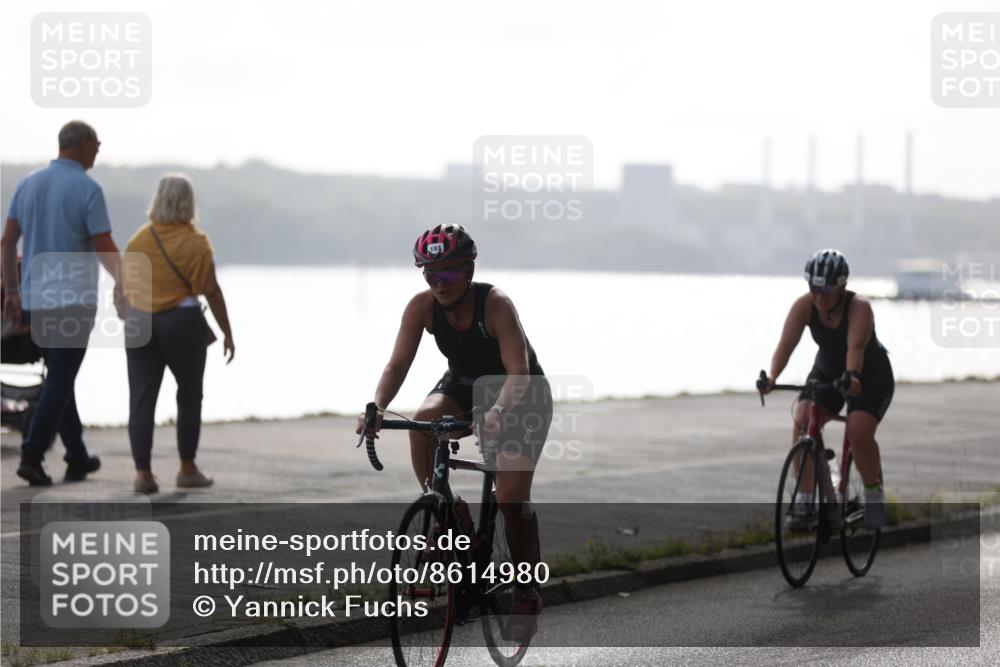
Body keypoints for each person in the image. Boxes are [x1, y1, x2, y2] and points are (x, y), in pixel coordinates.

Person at [356, 224, 552, 641]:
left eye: (447, 275)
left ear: (469, 269)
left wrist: (498, 411)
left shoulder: (495, 304)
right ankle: (449, 510)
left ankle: (526, 592)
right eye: (429, 275)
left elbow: (518, 372)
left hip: (520, 392)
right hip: (464, 384)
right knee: (422, 421)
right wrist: (376, 406)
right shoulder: (422, 307)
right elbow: (397, 366)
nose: (438, 284)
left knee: (511, 500)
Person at [2, 121, 123, 486]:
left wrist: (10, 291)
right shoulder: (88, 188)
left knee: (60, 374)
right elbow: (104, 245)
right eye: (97, 144)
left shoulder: (28, 183)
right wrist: (126, 284)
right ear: (83, 144)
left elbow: (7, 242)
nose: (98, 151)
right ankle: (32, 454)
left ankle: (77, 455)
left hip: (36, 301)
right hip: (74, 300)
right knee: (60, 377)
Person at [762, 249, 893, 531]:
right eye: (815, 288)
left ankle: (874, 494)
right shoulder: (804, 306)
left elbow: (855, 348)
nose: (820, 296)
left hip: (869, 374)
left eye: (828, 290)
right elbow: (786, 345)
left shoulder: (859, 307)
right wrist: (772, 376)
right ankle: (807, 500)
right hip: (827, 369)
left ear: (842, 286)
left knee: (858, 431)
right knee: (803, 419)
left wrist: (853, 377)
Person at [122, 173, 234, 494]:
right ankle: (187, 468)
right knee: (188, 396)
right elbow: (211, 291)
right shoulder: (196, 242)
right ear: (189, 202)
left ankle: (143, 474)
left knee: (141, 400)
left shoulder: (138, 240)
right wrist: (227, 333)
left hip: (140, 323)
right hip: (181, 323)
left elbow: (125, 289)